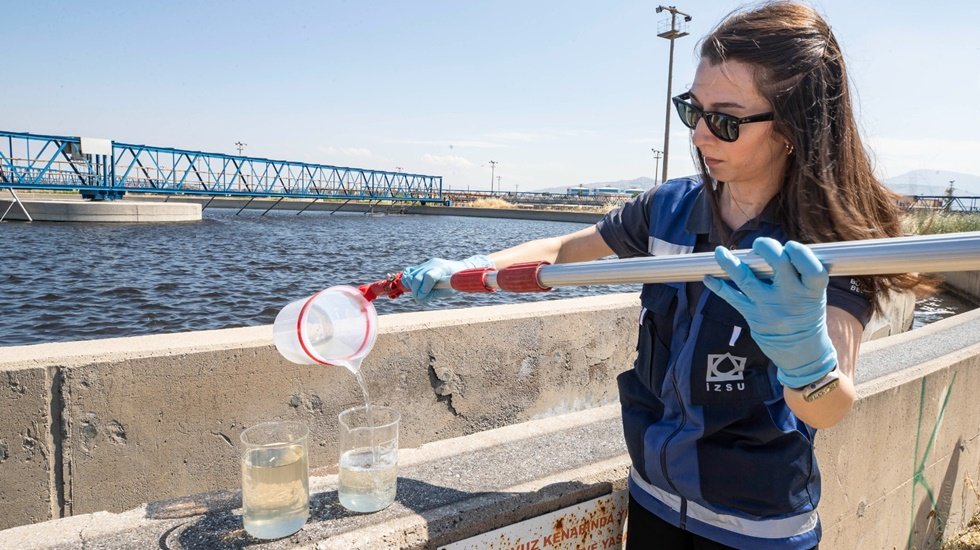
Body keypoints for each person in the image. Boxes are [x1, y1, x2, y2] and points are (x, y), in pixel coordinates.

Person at [401, 2, 928, 548]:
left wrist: (802, 354)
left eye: (725, 120)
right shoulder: (670, 208)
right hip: (651, 500)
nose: (699, 137)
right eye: (691, 110)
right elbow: (562, 248)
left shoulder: (831, 245)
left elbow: (830, 405)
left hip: (756, 529)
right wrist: (474, 268)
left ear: (794, 125)